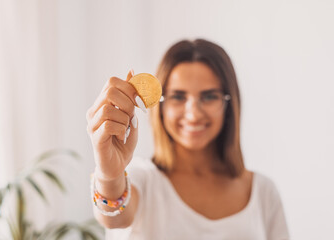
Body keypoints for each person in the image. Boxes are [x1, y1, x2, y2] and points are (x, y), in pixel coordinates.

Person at [86, 39, 290, 240]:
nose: (193, 114)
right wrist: (109, 175)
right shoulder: (143, 180)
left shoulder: (263, 192)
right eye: (178, 96)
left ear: (229, 104)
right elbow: (114, 218)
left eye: (209, 96)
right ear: (160, 105)